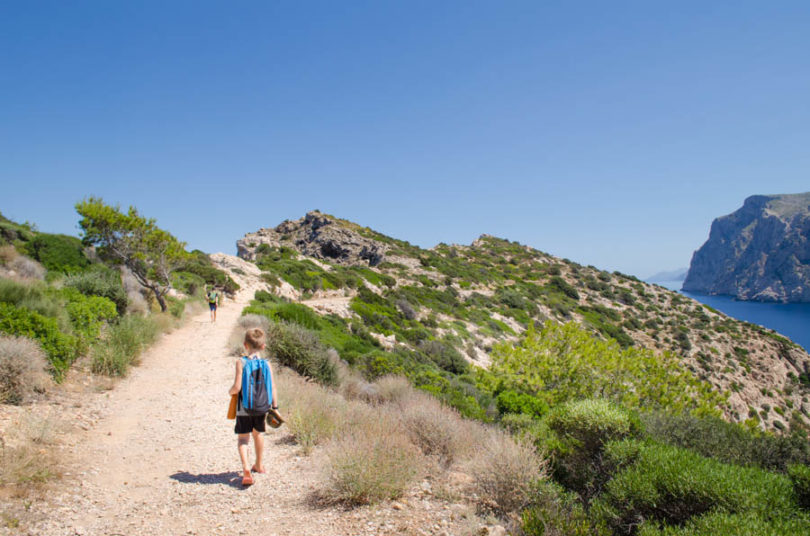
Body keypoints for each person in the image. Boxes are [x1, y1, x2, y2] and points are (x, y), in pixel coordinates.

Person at [228, 327, 278, 486]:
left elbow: (237, 387)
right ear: (263, 346)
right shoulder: (267, 364)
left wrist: (231, 392)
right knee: (259, 434)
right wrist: (275, 407)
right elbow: (273, 387)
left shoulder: (241, 362)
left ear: (245, 344)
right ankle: (259, 464)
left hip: (244, 407)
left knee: (243, 438)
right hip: (262, 406)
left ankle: (246, 469)